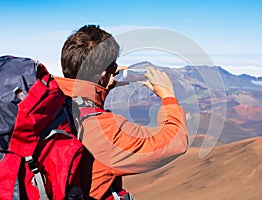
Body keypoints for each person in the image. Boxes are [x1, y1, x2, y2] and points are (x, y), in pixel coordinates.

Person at [55, 24, 188, 199]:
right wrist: (168, 96)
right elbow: (173, 143)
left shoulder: (51, 103)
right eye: (113, 66)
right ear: (103, 74)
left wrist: (102, 87)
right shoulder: (105, 130)